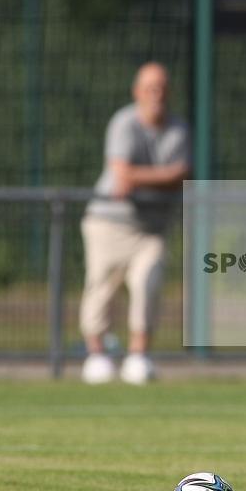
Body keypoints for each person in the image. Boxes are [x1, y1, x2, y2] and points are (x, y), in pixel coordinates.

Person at [79, 62, 190, 385]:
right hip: (108, 223)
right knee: (100, 286)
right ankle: (97, 355)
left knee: (148, 283)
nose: (156, 94)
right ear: (137, 92)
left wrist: (149, 178)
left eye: (161, 87)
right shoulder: (123, 123)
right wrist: (165, 176)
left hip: (151, 229)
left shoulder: (179, 129)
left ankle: (138, 356)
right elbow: (121, 176)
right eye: (149, 87)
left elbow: (181, 175)